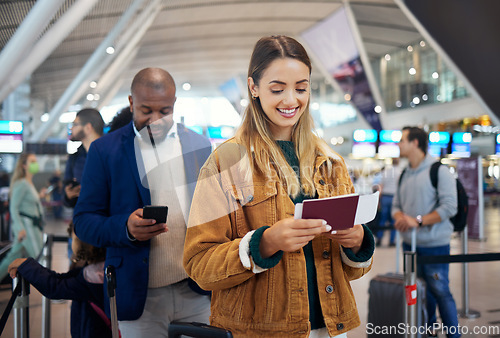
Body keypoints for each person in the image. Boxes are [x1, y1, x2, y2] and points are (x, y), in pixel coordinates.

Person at [183, 35, 374, 338]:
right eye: (277, 89)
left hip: (330, 328)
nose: (291, 100)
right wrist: (264, 243)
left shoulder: (330, 162)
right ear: (253, 87)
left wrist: (357, 241)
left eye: (301, 88)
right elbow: (199, 266)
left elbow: (352, 270)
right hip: (260, 332)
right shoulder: (226, 162)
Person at [73, 67, 212, 337]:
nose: (155, 120)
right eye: (146, 110)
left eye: (165, 111)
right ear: (131, 102)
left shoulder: (199, 145)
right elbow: (84, 220)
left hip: (196, 289)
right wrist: (125, 228)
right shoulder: (105, 150)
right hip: (138, 295)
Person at [393, 126, 460, 338]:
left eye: (402, 140)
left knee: (441, 291)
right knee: (420, 293)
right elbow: (396, 205)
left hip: (435, 244)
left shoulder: (439, 170)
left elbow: (450, 206)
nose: (399, 144)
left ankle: (453, 334)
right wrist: (400, 218)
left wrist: (419, 221)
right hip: (410, 245)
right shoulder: (404, 173)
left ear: (415, 143)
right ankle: (429, 331)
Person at [8, 223, 111, 338]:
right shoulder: (98, 268)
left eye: (72, 239)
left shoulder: (92, 276)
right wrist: (27, 266)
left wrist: (26, 265)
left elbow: (55, 287)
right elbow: (60, 278)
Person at [0, 153, 44, 281]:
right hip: (27, 227)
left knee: (13, 257)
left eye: (35, 161)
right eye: (32, 161)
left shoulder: (29, 183)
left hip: (31, 226)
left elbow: (28, 203)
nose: (35, 164)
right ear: (24, 165)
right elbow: (13, 207)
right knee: (39, 256)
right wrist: (20, 228)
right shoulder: (22, 183)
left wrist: (39, 196)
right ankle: (50, 290)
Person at [63, 108, 104, 208]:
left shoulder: (111, 154)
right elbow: (66, 198)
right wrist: (69, 196)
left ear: (88, 127)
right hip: (83, 216)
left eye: (75, 124)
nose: (71, 128)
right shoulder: (74, 158)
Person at [375, 158, 402, 247]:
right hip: (395, 197)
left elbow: (381, 186)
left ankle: (379, 239)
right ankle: (391, 241)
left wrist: (378, 199)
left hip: (385, 197)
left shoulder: (386, 172)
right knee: (393, 220)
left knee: (382, 219)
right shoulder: (400, 172)